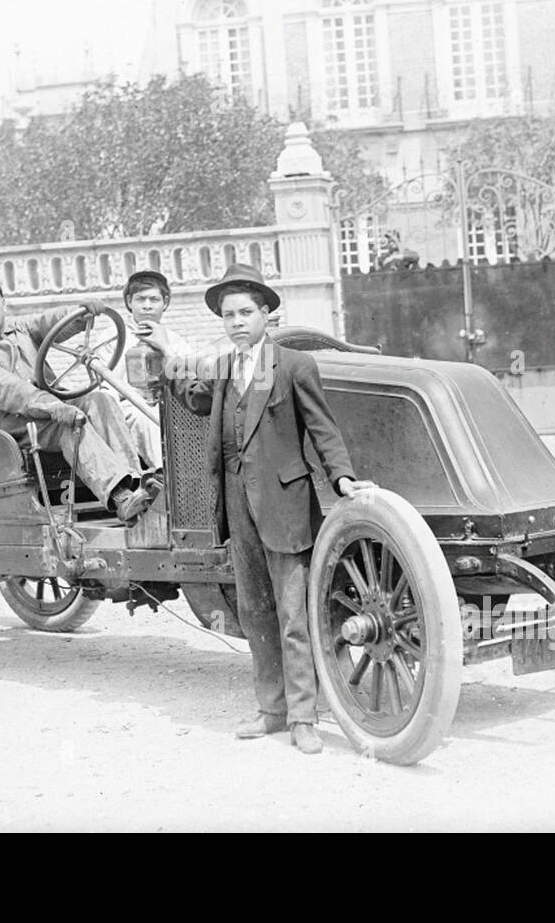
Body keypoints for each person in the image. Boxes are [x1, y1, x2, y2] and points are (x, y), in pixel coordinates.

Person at [151, 263, 375, 755]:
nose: (236, 321)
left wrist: (341, 476)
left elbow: (322, 429)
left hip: (284, 506)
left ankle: (303, 717)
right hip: (237, 506)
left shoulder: (295, 366)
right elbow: (195, 397)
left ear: (267, 313)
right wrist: (168, 362)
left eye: (246, 312)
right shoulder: (225, 367)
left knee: (294, 614)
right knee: (255, 612)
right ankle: (271, 711)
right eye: (228, 314)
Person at [0, 273, 161, 524]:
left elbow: (50, 321)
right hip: (18, 428)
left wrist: (82, 312)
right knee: (67, 425)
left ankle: (136, 483)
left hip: (53, 407)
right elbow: (14, 393)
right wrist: (54, 407)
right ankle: (119, 496)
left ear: (4, 303)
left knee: (100, 400)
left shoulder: (20, 328)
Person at [113, 270, 195, 468]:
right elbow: (106, 386)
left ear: (165, 303)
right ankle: (167, 476)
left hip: (171, 405)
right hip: (130, 408)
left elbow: (191, 378)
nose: (147, 305)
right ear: (129, 302)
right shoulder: (114, 338)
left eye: (154, 299)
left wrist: (165, 347)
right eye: (140, 299)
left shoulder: (175, 341)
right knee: (145, 420)